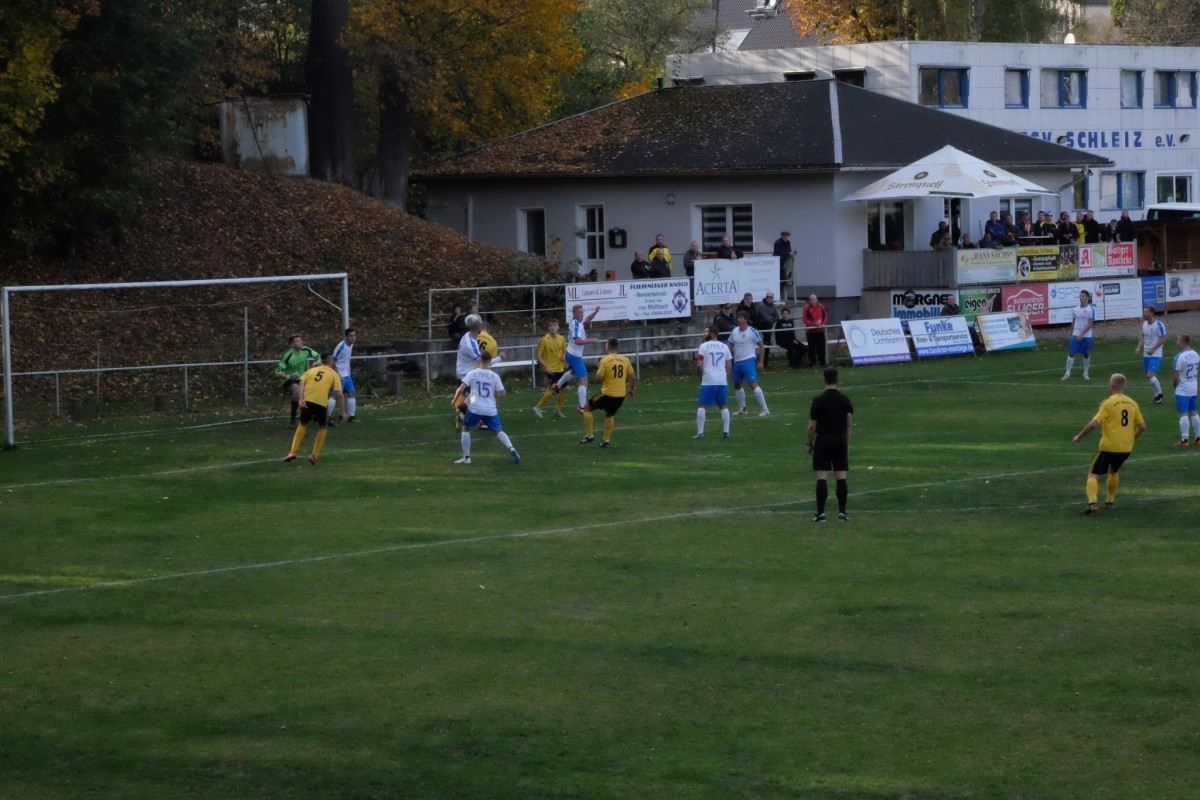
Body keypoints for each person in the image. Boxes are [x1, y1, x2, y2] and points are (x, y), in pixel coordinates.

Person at [1072, 373, 1146, 515]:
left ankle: (1092, 503)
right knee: (1113, 471)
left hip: (1108, 447)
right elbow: (1142, 426)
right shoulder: (1132, 403)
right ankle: (1110, 501)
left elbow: (1094, 424)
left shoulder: (1108, 403)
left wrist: (1079, 436)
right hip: (1125, 448)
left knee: (1093, 474)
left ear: (1111, 385)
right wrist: (1132, 439)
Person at [452, 351, 521, 465]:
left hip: (475, 408)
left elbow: (460, 388)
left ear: (480, 360)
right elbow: (503, 393)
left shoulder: (472, 373)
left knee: (466, 428)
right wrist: (498, 392)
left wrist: (454, 400)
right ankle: (511, 448)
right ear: (490, 361)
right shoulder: (495, 376)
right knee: (498, 431)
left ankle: (466, 457)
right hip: (490, 409)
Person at [807, 367, 854, 522]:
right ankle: (842, 513)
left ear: (824, 379)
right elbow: (848, 424)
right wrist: (847, 443)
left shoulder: (818, 400)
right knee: (841, 476)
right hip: (840, 439)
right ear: (837, 379)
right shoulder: (845, 400)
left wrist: (810, 442)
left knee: (822, 476)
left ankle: (821, 514)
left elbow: (812, 425)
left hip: (824, 440)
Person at [283, 353, 343, 465]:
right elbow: (339, 394)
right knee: (323, 426)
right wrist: (343, 411)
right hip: (321, 403)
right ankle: (314, 455)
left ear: (321, 362)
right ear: (332, 363)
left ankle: (293, 452)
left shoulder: (311, 370)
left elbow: (301, 382)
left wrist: (301, 398)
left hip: (307, 400)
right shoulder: (334, 374)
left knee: (302, 424)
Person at [579, 338, 635, 447]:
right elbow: (632, 377)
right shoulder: (625, 360)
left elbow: (598, 378)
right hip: (620, 395)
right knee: (610, 414)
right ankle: (605, 440)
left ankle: (590, 436)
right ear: (616, 346)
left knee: (587, 408)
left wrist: (599, 370)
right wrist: (632, 389)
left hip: (607, 394)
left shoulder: (605, 360)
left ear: (608, 346)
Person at [554, 303, 601, 411]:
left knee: (573, 372)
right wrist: (591, 340)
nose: (582, 314)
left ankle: (557, 386)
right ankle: (581, 407)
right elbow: (578, 341)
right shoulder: (576, 325)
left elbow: (587, 319)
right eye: (579, 312)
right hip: (575, 356)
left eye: (582, 312)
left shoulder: (576, 322)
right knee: (584, 381)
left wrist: (595, 311)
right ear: (574, 313)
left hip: (571, 353)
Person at [728, 311, 770, 416]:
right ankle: (743, 408)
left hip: (748, 360)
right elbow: (730, 344)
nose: (738, 319)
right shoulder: (734, 331)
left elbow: (761, 346)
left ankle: (765, 409)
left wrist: (761, 361)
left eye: (741, 318)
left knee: (752, 384)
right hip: (737, 361)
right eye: (738, 317)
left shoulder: (752, 331)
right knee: (737, 384)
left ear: (745, 319)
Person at [694, 325, 733, 438]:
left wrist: (700, 376)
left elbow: (699, 364)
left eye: (707, 332)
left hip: (708, 380)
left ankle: (700, 433)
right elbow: (729, 366)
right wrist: (726, 378)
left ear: (712, 333)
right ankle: (726, 432)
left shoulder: (704, 346)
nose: (705, 334)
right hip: (721, 380)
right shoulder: (724, 347)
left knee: (702, 405)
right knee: (723, 405)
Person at [275, 334, 321, 429]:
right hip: (289, 380)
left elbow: (318, 356)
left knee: (316, 389)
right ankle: (292, 420)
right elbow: (277, 372)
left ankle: (312, 415)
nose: (300, 342)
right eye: (297, 341)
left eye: (300, 340)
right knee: (297, 391)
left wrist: (317, 362)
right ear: (291, 345)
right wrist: (288, 376)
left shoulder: (305, 350)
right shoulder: (288, 356)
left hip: (302, 379)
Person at [532, 318, 568, 419]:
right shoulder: (544, 340)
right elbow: (538, 356)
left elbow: (565, 350)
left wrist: (564, 356)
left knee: (565, 389)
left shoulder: (561, 338)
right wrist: (546, 367)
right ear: (548, 327)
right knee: (554, 389)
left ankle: (557, 410)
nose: (552, 327)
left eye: (554, 325)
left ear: (558, 327)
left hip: (559, 368)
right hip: (550, 369)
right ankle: (538, 407)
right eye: (551, 325)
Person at [1133, 306, 1167, 404]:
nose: (1144, 313)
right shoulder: (1144, 324)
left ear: (1152, 313)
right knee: (1150, 377)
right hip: (1146, 354)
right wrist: (1139, 347)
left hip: (1156, 354)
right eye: (1144, 311)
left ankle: (1160, 394)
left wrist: (1152, 349)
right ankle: (1157, 397)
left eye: (1146, 312)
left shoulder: (1159, 325)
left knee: (1150, 374)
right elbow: (1142, 336)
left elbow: (1163, 339)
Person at [1173, 334, 1200, 446]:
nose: (1177, 343)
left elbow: (1176, 377)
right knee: (1194, 412)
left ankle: (1184, 440)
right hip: (1193, 388)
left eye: (1178, 341)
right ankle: (1198, 438)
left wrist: (1175, 387)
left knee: (1183, 414)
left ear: (1183, 342)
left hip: (1183, 390)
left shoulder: (1179, 357)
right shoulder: (1196, 355)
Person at [1062, 290, 1095, 381]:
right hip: (1075, 334)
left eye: (1083, 296)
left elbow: (1090, 324)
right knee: (1072, 353)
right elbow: (1073, 323)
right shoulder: (1075, 309)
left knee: (1086, 354)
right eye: (1080, 296)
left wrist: (1082, 334)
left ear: (1087, 297)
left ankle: (1085, 373)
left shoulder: (1091, 309)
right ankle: (1067, 374)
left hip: (1086, 335)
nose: (1081, 298)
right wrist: (1070, 334)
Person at [329, 327, 357, 423]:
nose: (353, 338)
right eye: (350, 336)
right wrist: (337, 375)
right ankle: (326, 417)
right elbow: (333, 361)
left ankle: (351, 417)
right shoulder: (341, 346)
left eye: (354, 335)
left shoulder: (351, 345)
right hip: (339, 374)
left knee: (351, 393)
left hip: (346, 374)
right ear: (346, 337)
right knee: (335, 395)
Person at [802, 294, 828, 367]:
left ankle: (822, 361)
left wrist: (823, 323)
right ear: (809, 300)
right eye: (811, 300)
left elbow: (825, 315)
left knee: (821, 347)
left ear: (817, 300)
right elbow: (805, 320)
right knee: (811, 348)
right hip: (811, 332)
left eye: (814, 299)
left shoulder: (820, 306)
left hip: (820, 331)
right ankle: (812, 362)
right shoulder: (806, 308)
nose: (812, 301)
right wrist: (814, 324)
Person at [755, 292, 779, 367]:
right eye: (767, 297)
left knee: (767, 344)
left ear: (773, 298)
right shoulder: (760, 305)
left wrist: (771, 319)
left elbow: (777, 317)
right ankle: (761, 362)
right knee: (763, 344)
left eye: (770, 297)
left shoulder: (774, 306)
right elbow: (763, 316)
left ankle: (765, 363)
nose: (768, 298)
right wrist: (771, 319)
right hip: (760, 326)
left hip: (768, 326)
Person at [773, 231, 796, 300]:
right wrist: (788, 254)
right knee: (780, 280)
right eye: (785, 236)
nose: (786, 237)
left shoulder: (788, 243)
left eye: (787, 236)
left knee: (784, 281)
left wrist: (791, 253)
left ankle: (783, 296)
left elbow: (788, 251)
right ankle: (778, 296)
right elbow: (777, 253)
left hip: (786, 263)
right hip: (779, 264)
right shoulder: (777, 243)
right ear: (782, 236)